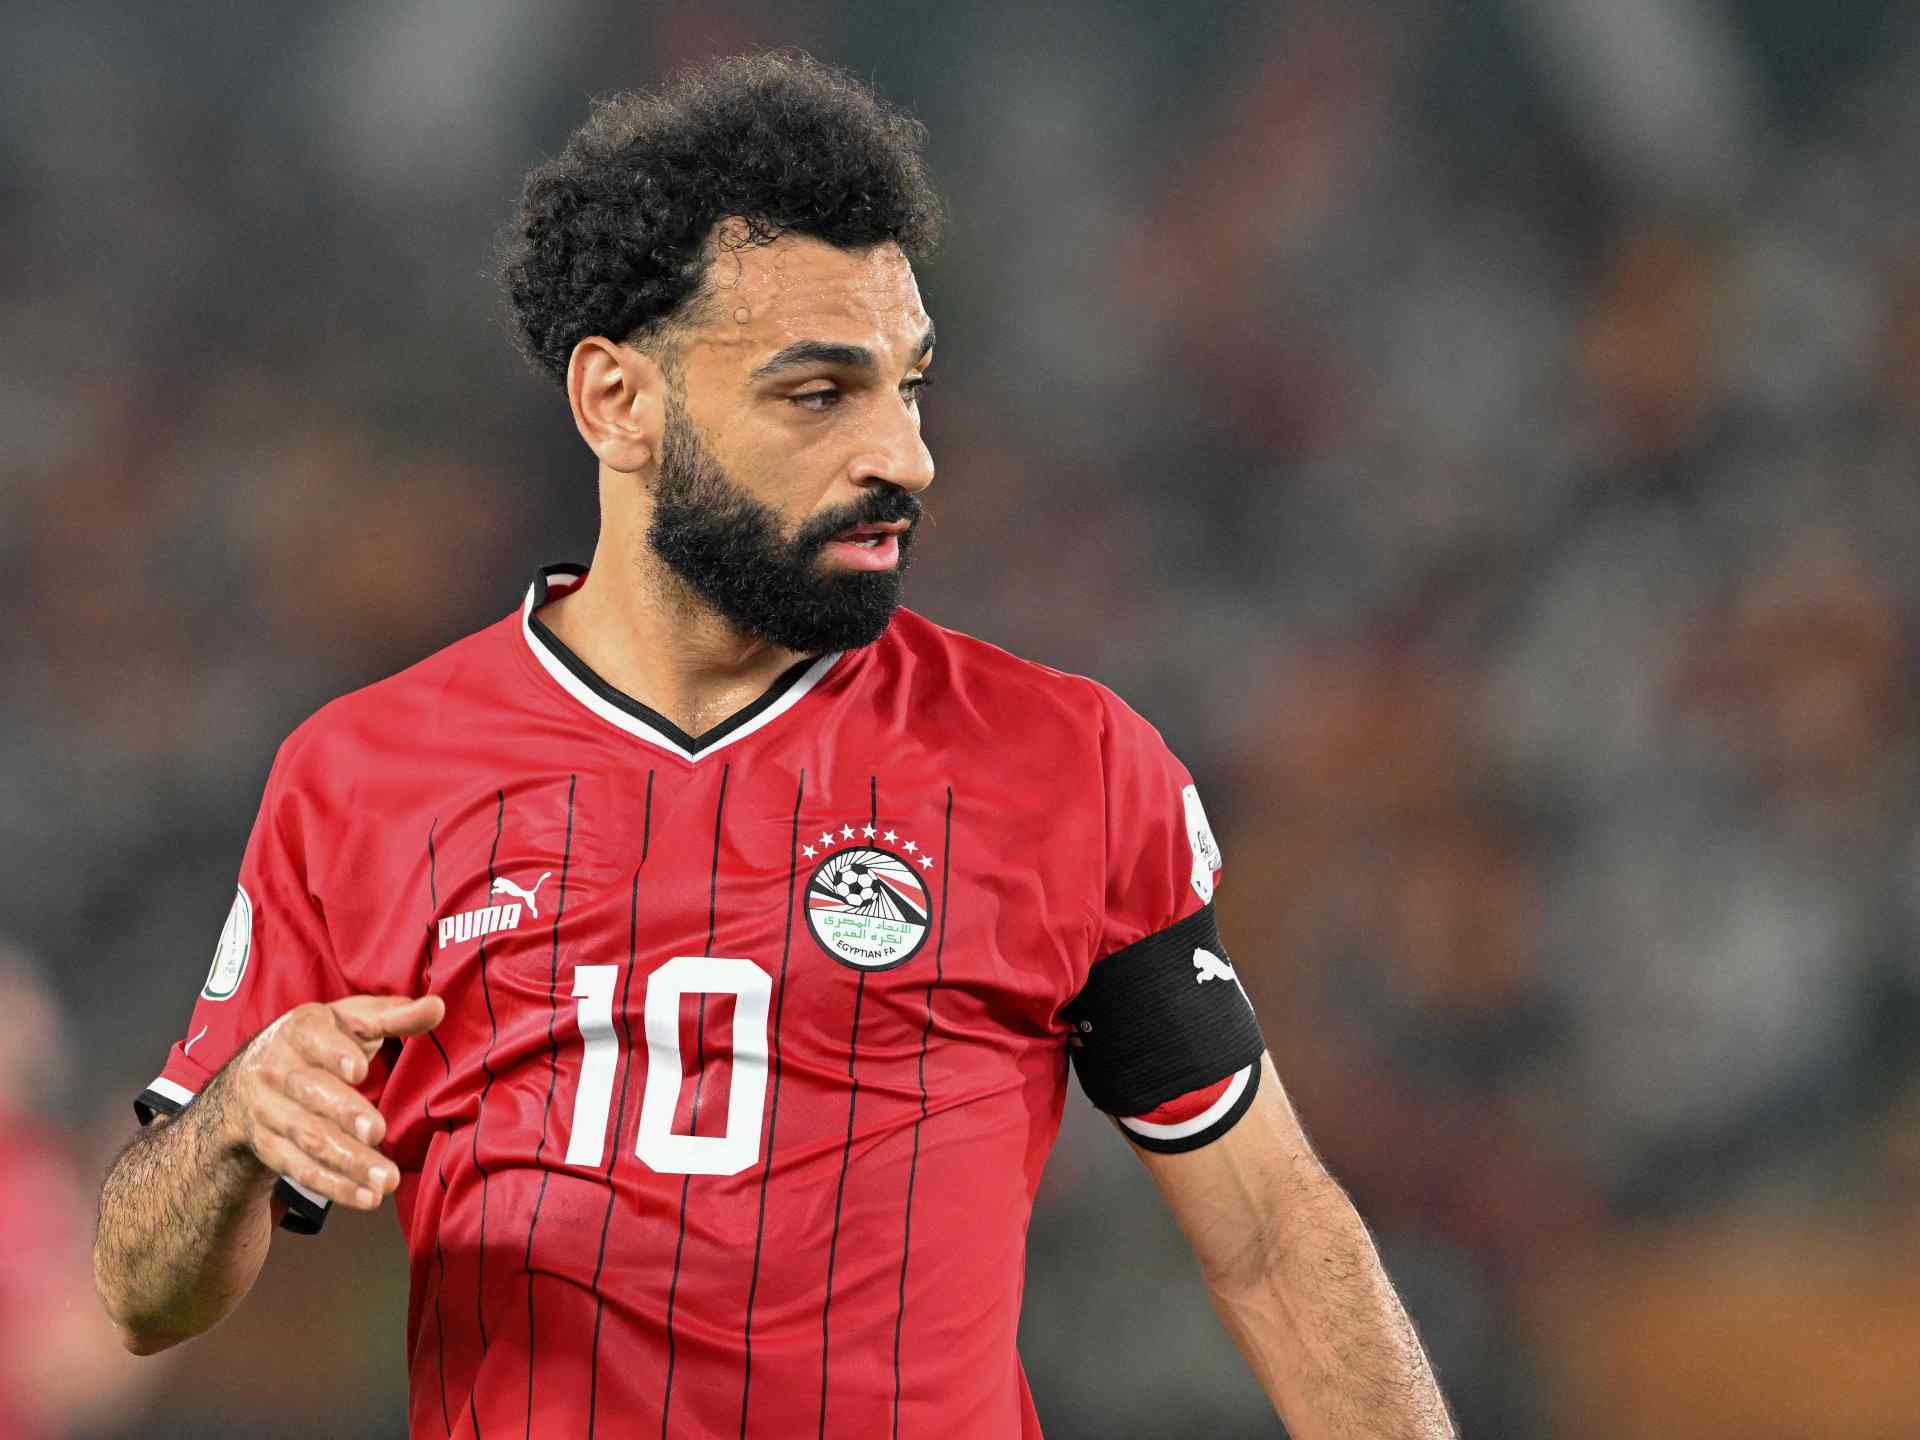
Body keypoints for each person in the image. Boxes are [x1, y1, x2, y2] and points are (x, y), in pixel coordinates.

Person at [92, 52, 1454, 1439]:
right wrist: (235, 1124)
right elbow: (143, 1299)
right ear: (616, 402)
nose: (905, 456)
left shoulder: (1066, 765)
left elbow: (1276, 1237)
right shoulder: (366, 778)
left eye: (910, 386)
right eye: (819, 395)